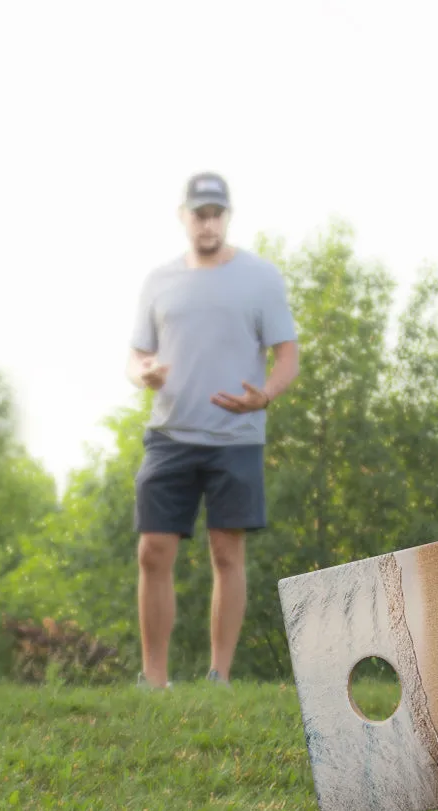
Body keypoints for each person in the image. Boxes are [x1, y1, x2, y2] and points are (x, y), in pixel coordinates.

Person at [127, 172, 299, 689]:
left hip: (236, 437)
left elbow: (287, 354)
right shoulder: (158, 280)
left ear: (227, 217)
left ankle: (218, 675)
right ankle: (153, 679)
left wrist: (265, 395)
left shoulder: (261, 278)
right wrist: (144, 373)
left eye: (216, 213)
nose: (208, 222)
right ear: (184, 217)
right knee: (152, 550)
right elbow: (137, 355)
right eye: (199, 213)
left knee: (228, 553)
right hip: (169, 435)